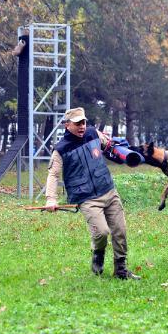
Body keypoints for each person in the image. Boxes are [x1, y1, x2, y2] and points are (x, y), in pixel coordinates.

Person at [45, 107, 140, 280]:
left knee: (120, 230)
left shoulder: (93, 134)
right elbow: (53, 174)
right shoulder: (60, 149)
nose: (82, 126)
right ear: (67, 125)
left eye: (83, 122)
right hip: (87, 198)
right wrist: (51, 199)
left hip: (108, 191)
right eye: (77, 123)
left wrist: (123, 153)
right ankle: (98, 253)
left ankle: (121, 269)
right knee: (102, 232)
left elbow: (110, 146)